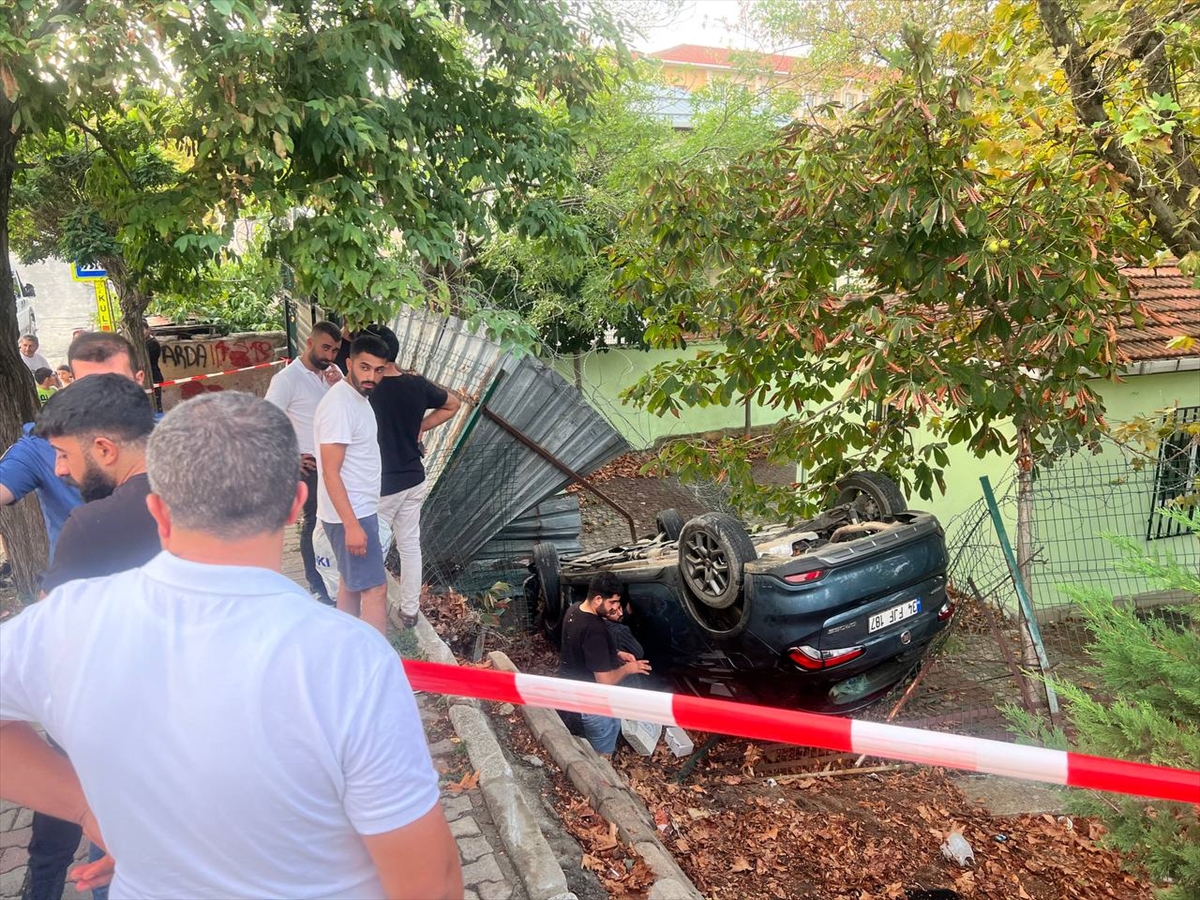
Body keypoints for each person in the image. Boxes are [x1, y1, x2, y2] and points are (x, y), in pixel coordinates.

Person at [0, 392, 462, 899]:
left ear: (158, 508)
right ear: (295, 505)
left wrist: (84, 805)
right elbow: (429, 885)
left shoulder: (65, 622)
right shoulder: (350, 660)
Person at [25, 374, 160, 900]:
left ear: (104, 448)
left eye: (63, 454)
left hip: (111, 736)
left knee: (102, 862)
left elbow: (46, 636)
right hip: (204, 735)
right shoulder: (208, 501)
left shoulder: (94, 525)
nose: (60, 470)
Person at [0, 333, 145, 557]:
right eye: (88, 385)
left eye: (115, 383)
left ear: (138, 380)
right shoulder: (40, 445)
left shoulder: (178, 439)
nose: (101, 396)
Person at [367, 326, 460, 629]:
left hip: (382, 485)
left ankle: (370, 614)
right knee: (409, 545)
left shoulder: (366, 390)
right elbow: (453, 404)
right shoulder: (416, 385)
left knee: (372, 550)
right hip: (413, 479)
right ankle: (409, 611)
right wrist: (422, 426)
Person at [315, 334, 390, 634]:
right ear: (349, 364)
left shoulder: (354, 398)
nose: (371, 376)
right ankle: (377, 670)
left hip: (355, 510)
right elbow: (331, 472)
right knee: (375, 590)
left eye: (378, 369)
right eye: (364, 367)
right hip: (351, 514)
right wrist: (352, 526)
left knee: (350, 583)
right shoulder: (341, 405)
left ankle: (345, 652)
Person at [264, 321, 343, 604]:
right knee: (314, 523)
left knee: (334, 523)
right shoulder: (287, 379)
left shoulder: (333, 375)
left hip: (335, 464)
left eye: (335, 350)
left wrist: (340, 385)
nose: (330, 356)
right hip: (310, 466)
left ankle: (333, 579)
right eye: (325, 348)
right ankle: (317, 586)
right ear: (309, 343)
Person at [557, 573, 652, 756]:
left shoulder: (575, 611)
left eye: (618, 602)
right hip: (593, 705)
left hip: (571, 691)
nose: (616, 607)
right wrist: (628, 668)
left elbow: (584, 649)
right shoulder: (595, 630)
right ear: (598, 599)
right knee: (602, 753)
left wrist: (616, 653)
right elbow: (605, 681)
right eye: (612, 602)